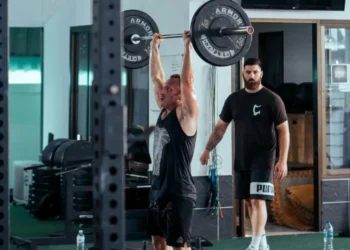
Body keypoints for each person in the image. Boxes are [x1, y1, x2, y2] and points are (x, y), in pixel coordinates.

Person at [200, 58, 290, 250]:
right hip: (242, 156)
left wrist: (282, 160)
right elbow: (219, 129)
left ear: (261, 74)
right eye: (248, 72)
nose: (251, 76)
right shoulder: (234, 99)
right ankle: (263, 242)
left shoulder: (272, 99)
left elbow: (284, 131)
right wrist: (207, 149)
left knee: (258, 199)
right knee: (250, 201)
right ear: (243, 73)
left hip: (265, 157)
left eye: (255, 72)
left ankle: (254, 244)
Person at [146, 30, 199, 250]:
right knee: (158, 243)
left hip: (179, 192)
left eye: (169, 89)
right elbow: (156, 77)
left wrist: (188, 47)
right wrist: (154, 48)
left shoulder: (185, 115)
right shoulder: (164, 111)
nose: (162, 91)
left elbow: (186, 82)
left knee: (178, 246)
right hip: (158, 188)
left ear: (180, 97)